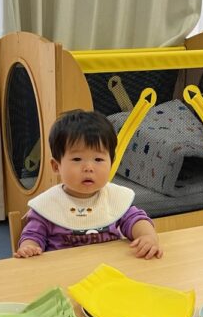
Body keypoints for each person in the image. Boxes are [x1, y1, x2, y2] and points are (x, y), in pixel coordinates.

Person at [15, 110, 162, 259]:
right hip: (63, 272)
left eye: (98, 159)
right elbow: (33, 235)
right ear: (56, 166)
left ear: (111, 162)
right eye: (77, 159)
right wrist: (30, 247)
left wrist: (148, 237)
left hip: (107, 268)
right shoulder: (47, 205)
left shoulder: (114, 198)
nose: (88, 168)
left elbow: (135, 220)